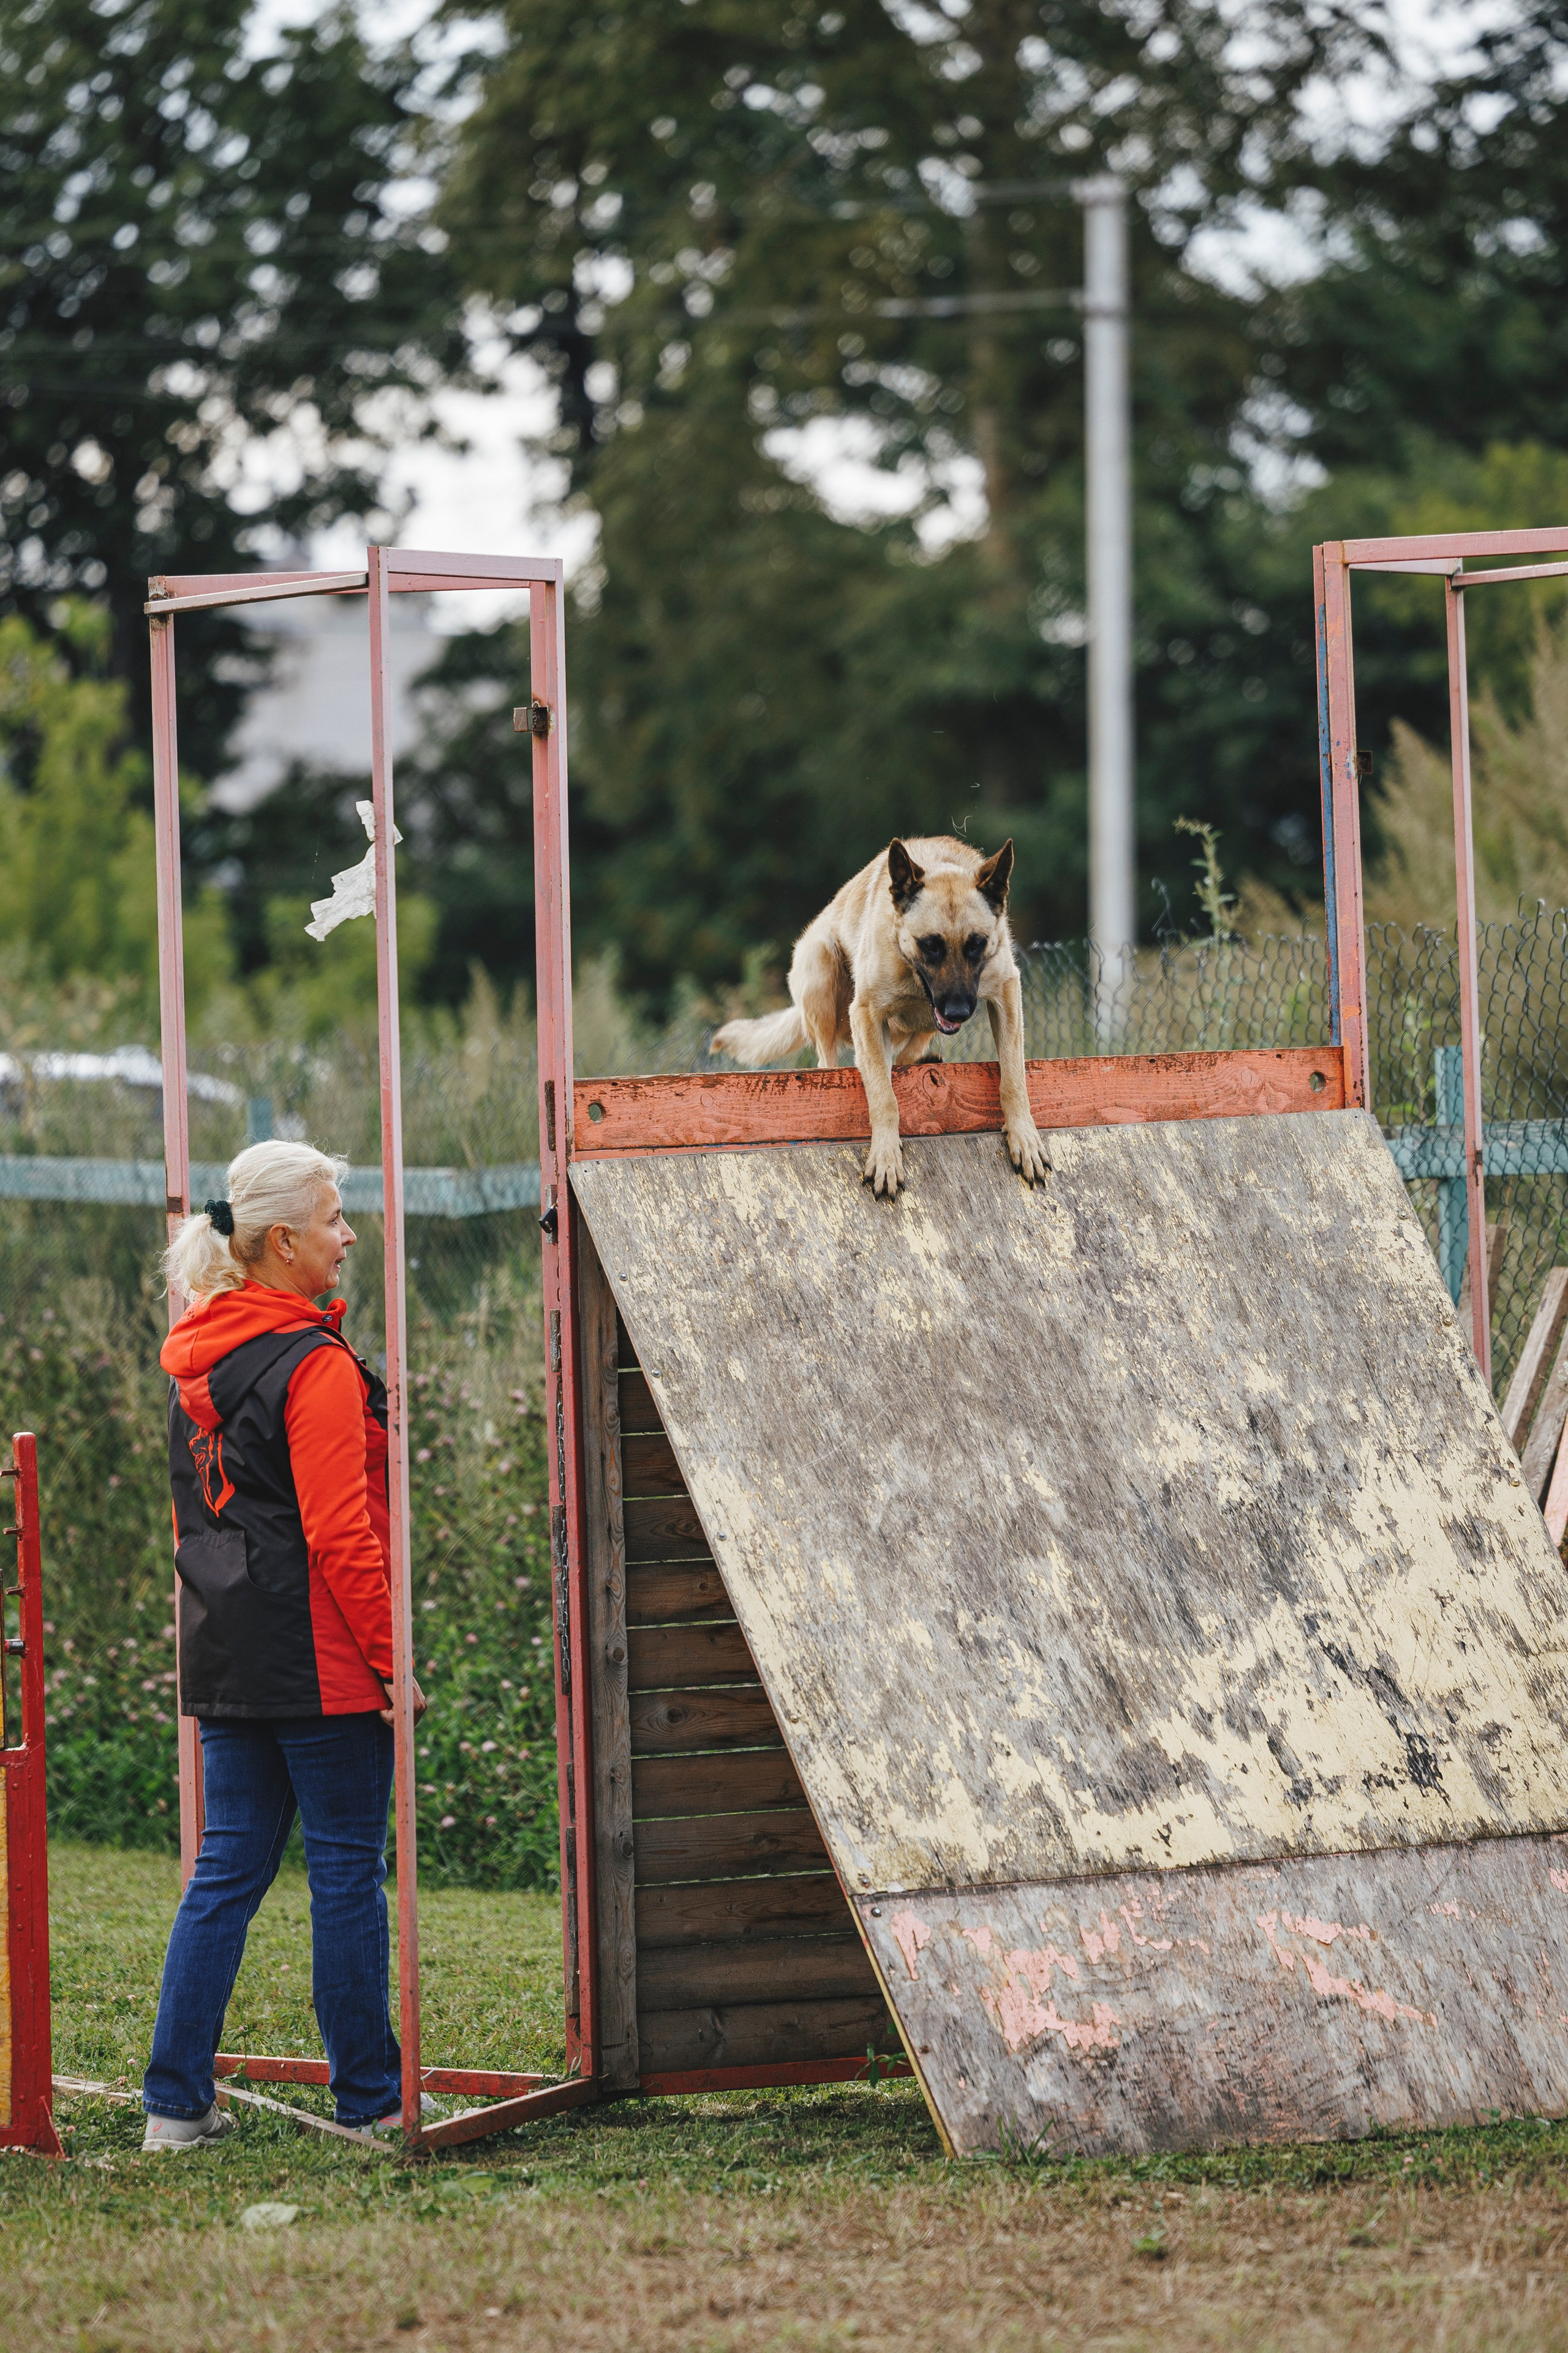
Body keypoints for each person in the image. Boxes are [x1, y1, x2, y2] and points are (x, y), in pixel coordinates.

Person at [140, 1139, 426, 2149]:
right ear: (284, 1240)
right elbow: (339, 1532)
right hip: (326, 1660)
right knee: (348, 1869)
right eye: (336, 1219)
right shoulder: (312, 1365)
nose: (350, 1237)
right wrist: (392, 1662)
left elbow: (207, 1523)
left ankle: (175, 2107)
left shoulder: (197, 1360)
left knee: (224, 1871)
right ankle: (373, 2100)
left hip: (231, 1653)